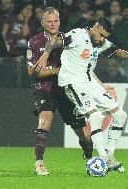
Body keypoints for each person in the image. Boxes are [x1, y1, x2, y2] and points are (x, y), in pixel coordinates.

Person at [36, 16, 128, 173]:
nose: (101, 40)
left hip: (90, 83)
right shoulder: (78, 35)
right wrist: (45, 55)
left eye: (105, 37)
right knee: (96, 117)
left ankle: (110, 156)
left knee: (121, 115)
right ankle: (103, 159)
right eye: (101, 35)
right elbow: (54, 41)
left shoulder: (100, 42)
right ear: (96, 27)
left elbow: (116, 51)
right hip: (73, 83)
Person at [26, 7, 93, 176]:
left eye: (55, 21)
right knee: (45, 119)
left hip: (67, 89)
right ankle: (39, 162)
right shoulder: (34, 42)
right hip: (44, 88)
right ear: (42, 23)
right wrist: (57, 70)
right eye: (49, 21)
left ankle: (90, 158)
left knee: (82, 131)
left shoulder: (68, 39)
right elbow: (32, 72)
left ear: (59, 21)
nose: (53, 24)